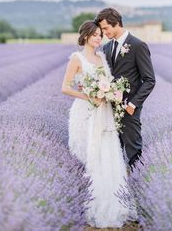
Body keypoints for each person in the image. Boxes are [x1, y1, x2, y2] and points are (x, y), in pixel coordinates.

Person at [62, 20, 132, 228]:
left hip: (104, 112)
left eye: (100, 34)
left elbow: (108, 83)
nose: (98, 38)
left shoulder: (101, 57)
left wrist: (110, 92)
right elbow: (65, 87)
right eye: (95, 34)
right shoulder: (77, 58)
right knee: (89, 155)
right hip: (86, 112)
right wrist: (88, 96)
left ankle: (112, 202)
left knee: (107, 154)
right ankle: (87, 202)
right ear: (85, 36)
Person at [95, 7, 156, 169]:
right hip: (108, 110)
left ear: (116, 24)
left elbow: (149, 80)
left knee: (133, 152)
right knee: (112, 154)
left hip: (129, 111)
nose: (103, 33)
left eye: (105, 28)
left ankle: (138, 187)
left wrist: (132, 105)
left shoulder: (138, 45)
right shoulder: (106, 48)